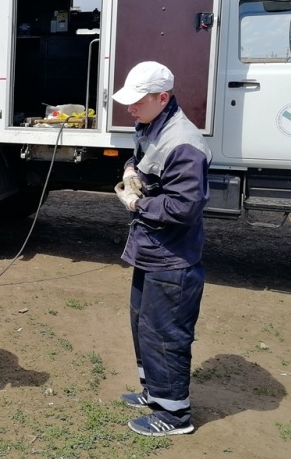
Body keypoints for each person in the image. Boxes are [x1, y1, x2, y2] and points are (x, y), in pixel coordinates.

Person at [111, 61, 212, 437]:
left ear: (162, 97)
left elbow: (184, 208)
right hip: (151, 249)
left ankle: (174, 415)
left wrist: (137, 204)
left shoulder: (183, 142)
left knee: (165, 332)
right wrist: (130, 171)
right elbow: (141, 157)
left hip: (173, 257)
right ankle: (154, 392)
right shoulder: (153, 124)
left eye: (138, 102)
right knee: (143, 323)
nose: (130, 109)